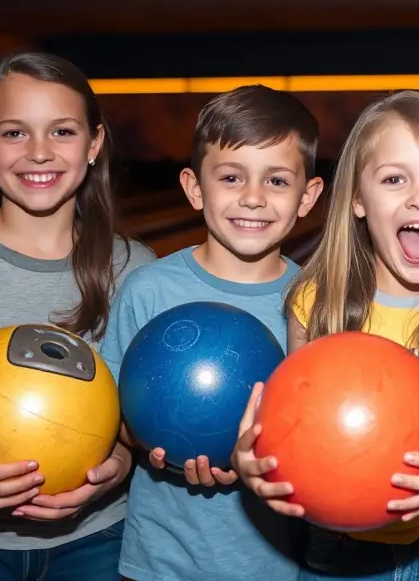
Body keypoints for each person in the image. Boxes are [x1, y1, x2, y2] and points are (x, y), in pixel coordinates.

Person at [232, 90, 419, 580]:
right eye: (394, 179)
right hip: (335, 547)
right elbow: (288, 437)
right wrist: (252, 463)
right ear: (357, 202)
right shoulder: (317, 304)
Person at [0, 50, 155, 579]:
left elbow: (141, 419)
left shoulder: (136, 271)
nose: (39, 152)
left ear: (94, 144)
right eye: (14, 133)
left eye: (61, 131)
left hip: (99, 536)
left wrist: (121, 465)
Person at [99, 85, 324, 581]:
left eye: (278, 181)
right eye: (230, 176)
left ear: (308, 197)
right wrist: (146, 439)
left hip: (273, 563)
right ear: (194, 187)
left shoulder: (315, 304)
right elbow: (110, 410)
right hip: (160, 559)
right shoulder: (148, 289)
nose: (253, 197)